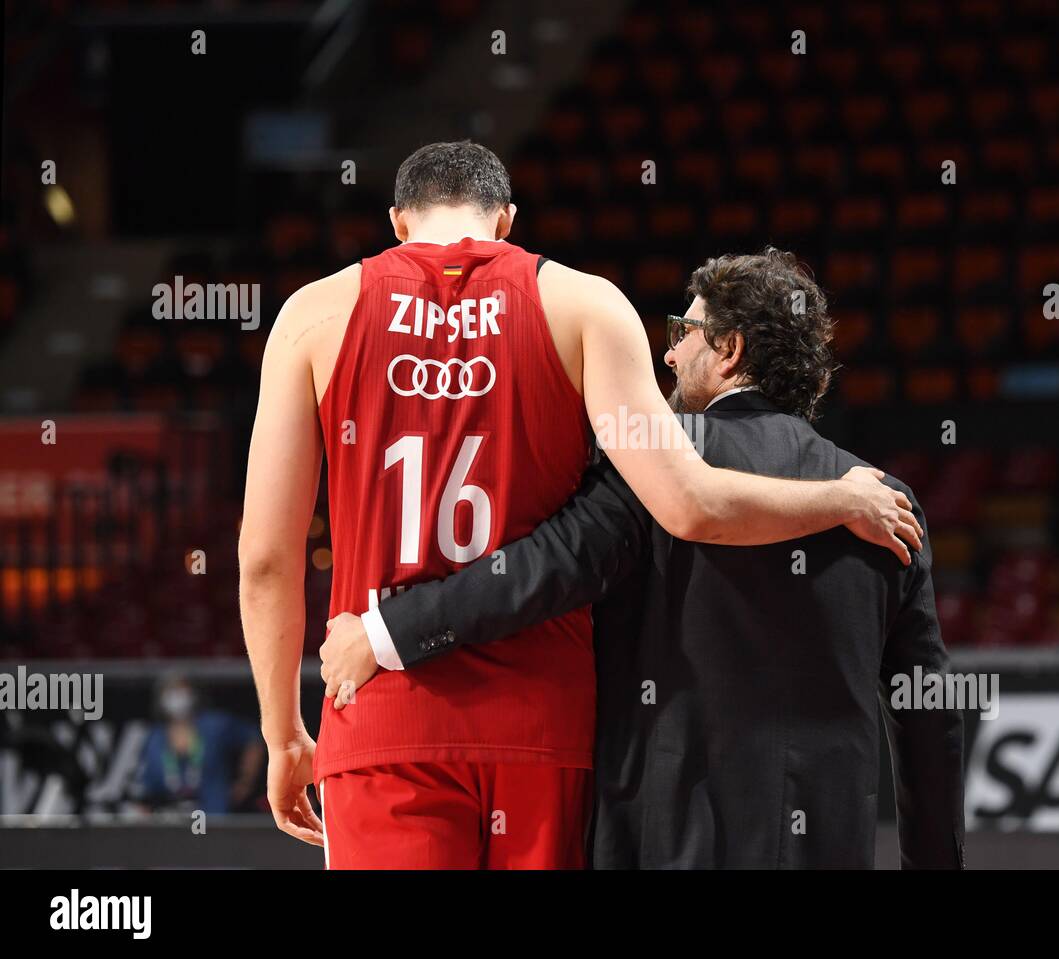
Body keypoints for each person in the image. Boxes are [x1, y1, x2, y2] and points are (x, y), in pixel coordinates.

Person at [239, 142, 922, 869]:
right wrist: (840, 499)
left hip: (385, 717)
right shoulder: (586, 304)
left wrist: (282, 735)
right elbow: (688, 504)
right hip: (544, 731)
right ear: (506, 221)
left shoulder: (313, 315)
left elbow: (265, 559)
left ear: (398, 223)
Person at [134, 675, 263, 815]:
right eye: (171, 691)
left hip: (215, 818)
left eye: (182, 690)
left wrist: (245, 781)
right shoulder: (156, 738)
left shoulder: (214, 726)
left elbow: (253, 739)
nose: (177, 697)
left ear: (194, 694)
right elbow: (148, 786)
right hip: (173, 823)